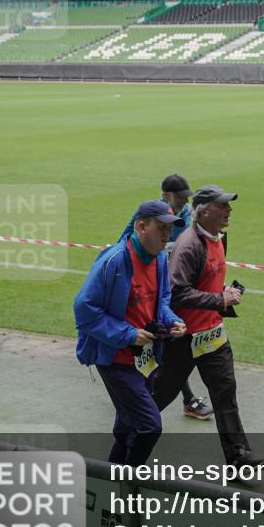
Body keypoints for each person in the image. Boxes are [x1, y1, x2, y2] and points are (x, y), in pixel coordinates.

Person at [153, 185, 261, 471]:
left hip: (213, 335)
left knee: (225, 393)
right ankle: (130, 433)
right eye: (222, 205)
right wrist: (219, 299)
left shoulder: (219, 238)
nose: (229, 210)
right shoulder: (188, 245)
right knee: (160, 394)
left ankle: (238, 457)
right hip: (184, 338)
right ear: (203, 212)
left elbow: (207, 279)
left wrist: (223, 291)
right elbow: (177, 292)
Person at [73, 200, 186, 467]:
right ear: (141, 227)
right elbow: (83, 309)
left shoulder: (160, 258)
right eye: (161, 228)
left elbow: (161, 300)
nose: (168, 235)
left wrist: (172, 321)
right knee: (149, 426)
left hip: (144, 359)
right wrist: (128, 334)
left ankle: (112, 480)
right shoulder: (113, 260)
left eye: (170, 228)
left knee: (127, 427)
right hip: (115, 359)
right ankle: (130, 482)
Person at [118, 174, 213, 422]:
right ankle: (179, 399)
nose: (185, 202)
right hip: (148, 288)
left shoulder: (184, 214)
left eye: (186, 197)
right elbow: (123, 242)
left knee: (169, 345)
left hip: (169, 287)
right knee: (165, 347)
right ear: (167, 195)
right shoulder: (148, 215)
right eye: (181, 197)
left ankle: (150, 396)